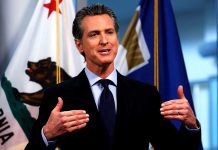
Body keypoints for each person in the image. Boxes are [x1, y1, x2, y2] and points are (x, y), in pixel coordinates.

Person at [25, 4, 201, 150]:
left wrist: (191, 125)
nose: (104, 40)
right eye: (94, 34)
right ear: (79, 45)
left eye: (109, 32)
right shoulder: (57, 97)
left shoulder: (145, 95)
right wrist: (46, 135)